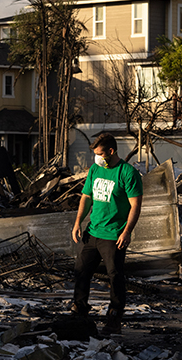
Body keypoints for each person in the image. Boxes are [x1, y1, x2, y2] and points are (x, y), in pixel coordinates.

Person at [71, 132, 143, 335]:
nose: (97, 158)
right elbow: (86, 198)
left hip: (114, 236)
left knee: (115, 277)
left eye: (100, 154)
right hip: (92, 232)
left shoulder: (127, 173)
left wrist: (127, 231)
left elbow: (135, 206)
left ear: (111, 151)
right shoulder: (95, 169)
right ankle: (79, 310)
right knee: (81, 271)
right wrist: (78, 223)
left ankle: (114, 318)